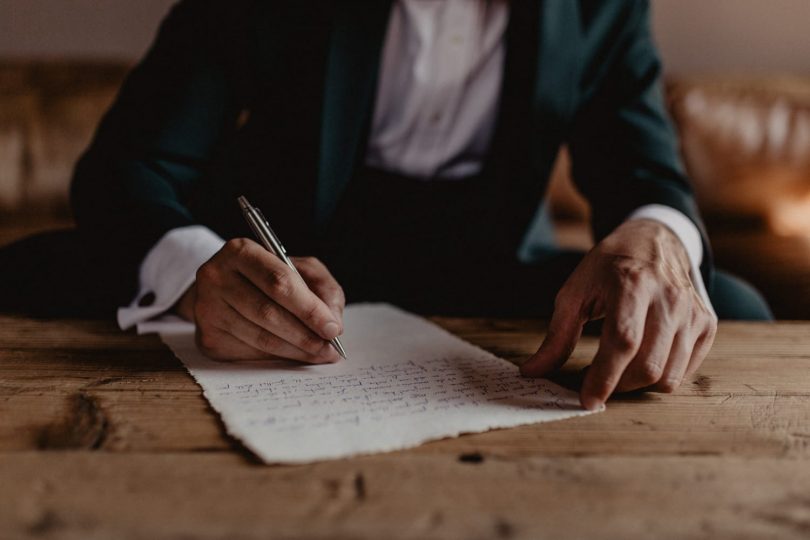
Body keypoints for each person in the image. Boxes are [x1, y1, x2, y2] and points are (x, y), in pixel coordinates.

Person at [0, 0, 772, 411]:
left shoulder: (603, 4)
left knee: (727, 302)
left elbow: (645, 173)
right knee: (33, 273)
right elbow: (127, 165)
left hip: (487, 265)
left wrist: (657, 234)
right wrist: (199, 270)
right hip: (287, 272)